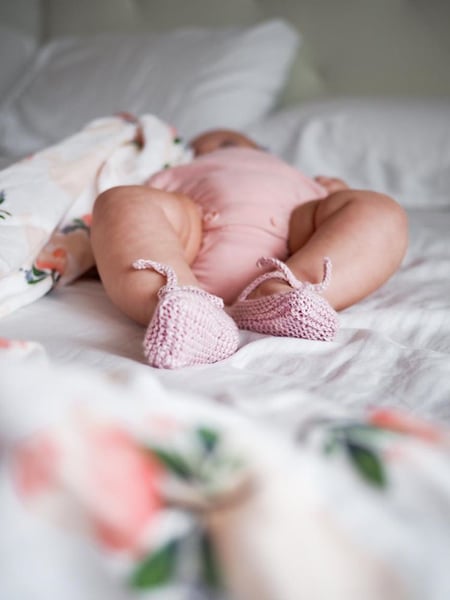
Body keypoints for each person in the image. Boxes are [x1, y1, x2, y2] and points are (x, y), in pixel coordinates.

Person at [90, 129, 408, 369]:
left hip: (294, 242)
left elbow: (345, 227)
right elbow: (128, 231)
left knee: (378, 208)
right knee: (120, 201)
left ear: (261, 148)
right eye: (201, 145)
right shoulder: (175, 171)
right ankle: (180, 304)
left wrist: (338, 192)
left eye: (229, 140)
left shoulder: (301, 176)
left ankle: (287, 292)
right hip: (192, 233)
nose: (216, 144)